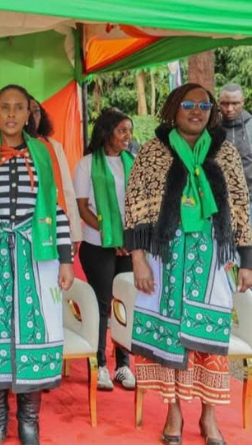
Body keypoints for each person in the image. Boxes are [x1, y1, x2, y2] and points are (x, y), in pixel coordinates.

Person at [125, 83, 252, 445]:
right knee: (170, 338)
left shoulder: (225, 152)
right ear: (173, 109)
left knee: (209, 336)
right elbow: (134, 206)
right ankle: (174, 412)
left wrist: (246, 260)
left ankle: (209, 416)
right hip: (164, 259)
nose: (197, 111)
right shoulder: (152, 152)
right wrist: (138, 259)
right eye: (188, 105)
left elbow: (240, 205)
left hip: (213, 259)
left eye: (204, 106)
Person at [0, 85, 74, 445]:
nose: (11, 114)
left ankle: (29, 422)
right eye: (4, 107)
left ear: (29, 114)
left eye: (19, 107)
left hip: (37, 256)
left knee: (35, 330)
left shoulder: (43, 152)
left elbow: (56, 209)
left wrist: (66, 261)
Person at [73, 108, 136, 391]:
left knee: (125, 302)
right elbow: (82, 208)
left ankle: (123, 365)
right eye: (122, 130)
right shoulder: (87, 164)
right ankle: (99, 364)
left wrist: (127, 237)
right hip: (97, 244)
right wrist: (110, 235)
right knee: (102, 304)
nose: (127, 136)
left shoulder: (132, 162)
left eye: (129, 131)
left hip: (128, 246)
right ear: (106, 132)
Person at [29, 97, 83, 249]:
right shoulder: (0, 147)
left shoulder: (53, 146)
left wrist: (74, 234)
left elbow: (66, 190)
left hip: (49, 224)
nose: (33, 116)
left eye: (36, 111)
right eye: (27, 111)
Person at [218, 83, 252, 218]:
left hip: (249, 201)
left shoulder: (250, 126)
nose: (229, 109)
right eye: (224, 104)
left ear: (243, 101)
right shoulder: (211, 128)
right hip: (218, 202)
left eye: (235, 103)